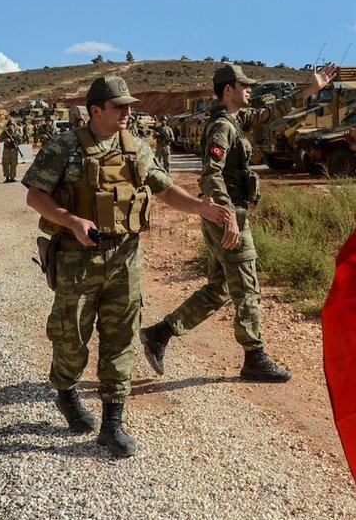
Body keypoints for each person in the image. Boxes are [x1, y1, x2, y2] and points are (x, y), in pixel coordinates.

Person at [22, 76, 237, 458]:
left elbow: (164, 188)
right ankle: (66, 391)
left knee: (121, 338)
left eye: (130, 106)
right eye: (119, 106)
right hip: (76, 259)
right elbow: (35, 195)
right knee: (71, 339)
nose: (128, 112)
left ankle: (112, 423)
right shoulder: (65, 146)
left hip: (125, 258)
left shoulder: (137, 147)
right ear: (95, 110)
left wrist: (203, 208)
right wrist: (72, 221)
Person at [140, 62, 337, 383]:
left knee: (219, 288)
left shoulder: (234, 120)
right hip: (226, 217)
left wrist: (309, 90)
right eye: (244, 86)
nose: (250, 90)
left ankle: (160, 333)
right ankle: (254, 357)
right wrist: (227, 215)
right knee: (247, 286)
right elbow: (210, 172)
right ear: (228, 90)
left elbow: (269, 112)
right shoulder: (221, 128)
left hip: (225, 216)